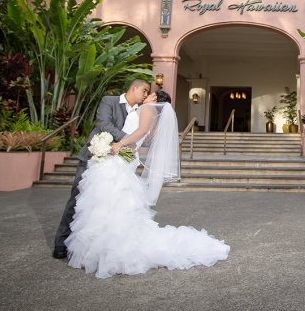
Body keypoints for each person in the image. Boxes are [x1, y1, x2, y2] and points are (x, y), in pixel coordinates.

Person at [64, 90, 230, 278]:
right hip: (126, 157)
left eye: (149, 94)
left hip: (120, 155)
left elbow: (141, 132)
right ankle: (107, 246)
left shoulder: (147, 109)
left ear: (155, 100)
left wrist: (119, 144)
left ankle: (108, 248)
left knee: (110, 198)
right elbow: (145, 137)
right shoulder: (151, 114)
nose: (146, 96)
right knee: (114, 200)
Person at [52, 78, 151, 259]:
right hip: (93, 158)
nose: (145, 95)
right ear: (134, 87)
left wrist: (128, 145)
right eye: (144, 90)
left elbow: (144, 134)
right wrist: (127, 141)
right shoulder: (109, 101)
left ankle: (90, 245)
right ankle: (61, 242)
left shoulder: (140, 111)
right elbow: (103, 124)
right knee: (77, 198)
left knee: (103, 205)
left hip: (114, 165)